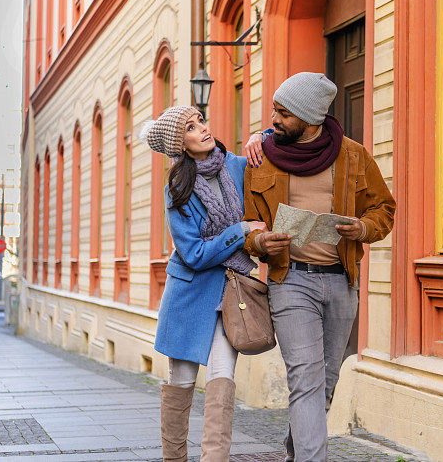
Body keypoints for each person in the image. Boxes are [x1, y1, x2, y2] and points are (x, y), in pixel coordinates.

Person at [242, 72, 396, 462]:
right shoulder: (261, 158)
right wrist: (261, 241)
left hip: (342, 282)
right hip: (290, 280)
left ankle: (299, 449)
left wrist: (362, 227)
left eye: (283, 113)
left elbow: (385, 209)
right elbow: (245, 224)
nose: (274, 119)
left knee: (325, 380)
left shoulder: (354, 155)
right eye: (273, 111)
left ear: (310, 117)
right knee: (305, 376)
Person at [140, 105, 265, 462]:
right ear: (180, 144)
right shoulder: (177, 188)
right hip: (189, 294)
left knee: (222, 383)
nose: (202, 129)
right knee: (180, 384)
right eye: (191, 128)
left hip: (232, 292)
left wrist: (260, 136)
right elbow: (192, 253)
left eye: (201, 122)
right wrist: (239, 232)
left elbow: (274, 140)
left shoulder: (237, 166)